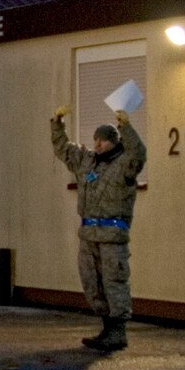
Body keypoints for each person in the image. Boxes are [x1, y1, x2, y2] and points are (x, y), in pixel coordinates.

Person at [51, 105, 146, 351]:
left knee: (114, 280)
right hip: (89, 234)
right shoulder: (87, 162)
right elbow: (63, 149)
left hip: (112, 235)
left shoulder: (125, 164)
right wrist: (57, 122)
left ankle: (118, 331)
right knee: (92, 281)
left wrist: (126, 127)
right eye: (95, 140)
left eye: (102, 141)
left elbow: (138, 154)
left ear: (113, 142)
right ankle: (106, 327)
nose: (97, 145)